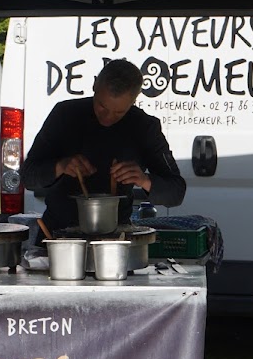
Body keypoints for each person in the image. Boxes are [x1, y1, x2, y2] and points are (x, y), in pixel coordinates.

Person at [20, 59, 186, 237]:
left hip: (115, 239)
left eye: (119, 113)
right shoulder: (65, 115)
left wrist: (144, 180)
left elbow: (176, 192)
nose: (107, 118)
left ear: (134, 101)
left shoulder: (144, 127)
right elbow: (28, 176)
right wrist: (60, 166)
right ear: (94, 86)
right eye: (101, 106)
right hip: (58, 235)